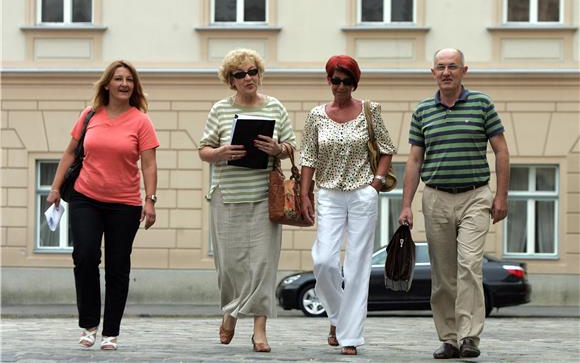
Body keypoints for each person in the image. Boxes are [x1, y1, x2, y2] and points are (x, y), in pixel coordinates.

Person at [398, 48, 509, 359]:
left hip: (476, 196)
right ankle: (448, 338)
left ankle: (469, 336)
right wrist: (406, 205)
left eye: (452, 67)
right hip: (436, 198)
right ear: (433, 72)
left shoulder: (482, 104)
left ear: (464, 71)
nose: (446, 72)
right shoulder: (423, 111)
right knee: (443, 273)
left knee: (470, 266)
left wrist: (501, 196)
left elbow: (501, 150)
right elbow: (414, 160)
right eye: (440, 67)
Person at [47, 60, 159, 351]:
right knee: (84, 256)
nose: (124, 84)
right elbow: (70, 153)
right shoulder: (89, 115)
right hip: (86, 197)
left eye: (129, 80)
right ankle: (88, 325)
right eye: (118, 78)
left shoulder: (141, 121)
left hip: (124, 203)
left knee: (117, 268)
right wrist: (56, 188)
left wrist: (150, 200)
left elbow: (148, 163)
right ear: (107, 84)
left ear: (134, 86)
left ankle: (110, 332)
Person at [198, 48, 296, 353]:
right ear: (231, 80)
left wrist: (277, 148)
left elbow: (292, 147)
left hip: (265, 197)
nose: (248, 78)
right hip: (227, 196)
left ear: (260, 74)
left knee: (263, 265)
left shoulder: (275, 107)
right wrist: (220, 153)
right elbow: (204, 149)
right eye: (240, 74)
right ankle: (230, 312)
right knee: (230, 266)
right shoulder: (220, 109)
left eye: (253, 71)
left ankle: (259, 330)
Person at [300, 55, 396, 356]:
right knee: (324, 260)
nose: (340, 86)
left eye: (346, 81)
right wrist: (304, 194)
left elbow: (387, 149)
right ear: (328, 81)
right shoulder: (316, 115)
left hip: (362, 193)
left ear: (354, 83)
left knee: (357, 265)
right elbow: (308, 158)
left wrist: (376, 184)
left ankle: (350, 336)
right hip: (328, 192)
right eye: (335, 80)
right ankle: (339, 317)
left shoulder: (370, 111)